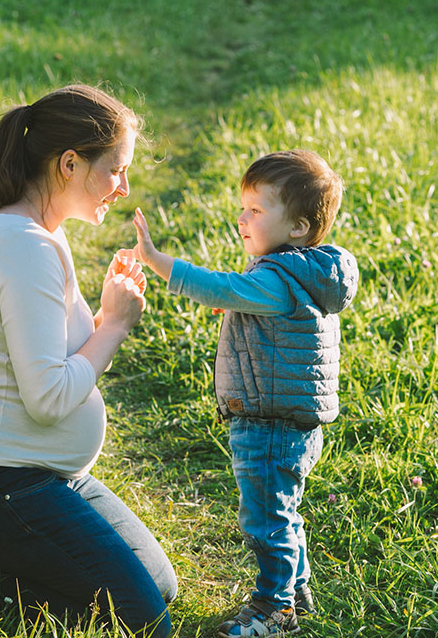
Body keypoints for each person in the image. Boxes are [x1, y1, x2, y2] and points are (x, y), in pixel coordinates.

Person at [0, 84, 177, 637]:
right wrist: (116, 327)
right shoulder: (22, 245)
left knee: (160, 584)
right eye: (116, 170)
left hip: (39, 474)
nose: (123, 188)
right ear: (70, 163)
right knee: (142, 618)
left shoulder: (34, 237)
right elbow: (50, 396)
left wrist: (102, 319)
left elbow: (43, 363)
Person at [129, 150, 358, 636]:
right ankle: (295, 591)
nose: (242, 218)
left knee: (266, 521)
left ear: (297, 226)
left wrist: (156, 260)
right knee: (284, 511)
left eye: (256, 209)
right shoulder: (300, 275)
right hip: (290, 422)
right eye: (243, 206)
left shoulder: (276, 278)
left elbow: (217, 287)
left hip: (268, 425)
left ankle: (273, 608)